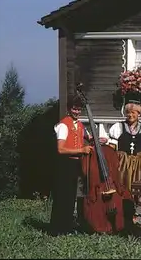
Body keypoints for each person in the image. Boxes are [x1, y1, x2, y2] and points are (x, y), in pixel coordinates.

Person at [49, 96, 93, 236]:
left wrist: (98, 139)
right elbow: (60, 149)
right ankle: (57, 228)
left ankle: (67, 226)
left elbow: (88, 137)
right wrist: (82, 150)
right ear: (69, 109)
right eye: (74, 108)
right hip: (64, 163)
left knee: (71, 196)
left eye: (79, 109)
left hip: (75, 164)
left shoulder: (80, 125)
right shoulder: (63, 125)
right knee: (62, 196)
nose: (77, 111)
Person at [108, 101, 141, 191]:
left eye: (133, 112)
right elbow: (111, 148)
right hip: (122, 163)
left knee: (137, 186)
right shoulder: (118, 127)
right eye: (128, 112)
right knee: (122, 186)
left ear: (138, 114)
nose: (130, 115)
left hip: (139, 164)